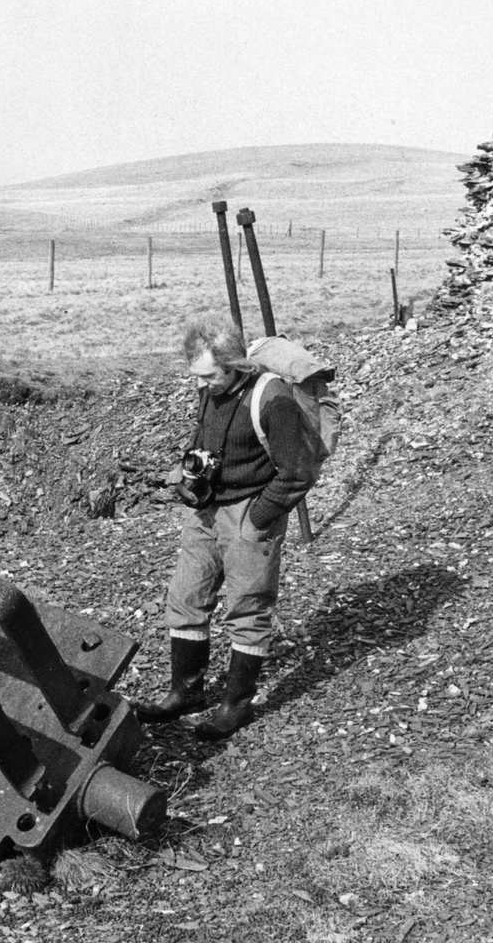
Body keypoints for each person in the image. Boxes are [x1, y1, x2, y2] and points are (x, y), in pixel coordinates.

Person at [136, 315, 319, 740]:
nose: (201, 386)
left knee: (248, 608)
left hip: (249, 511)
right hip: (206, 510)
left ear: (235, 364)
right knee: (186, 596)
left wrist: (257, 519)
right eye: (195, 377)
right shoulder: (211, 390)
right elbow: (209, 440)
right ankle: (185, 694)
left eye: (208, 376)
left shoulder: (272, 399)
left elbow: (298, 471)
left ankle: (235, 706)